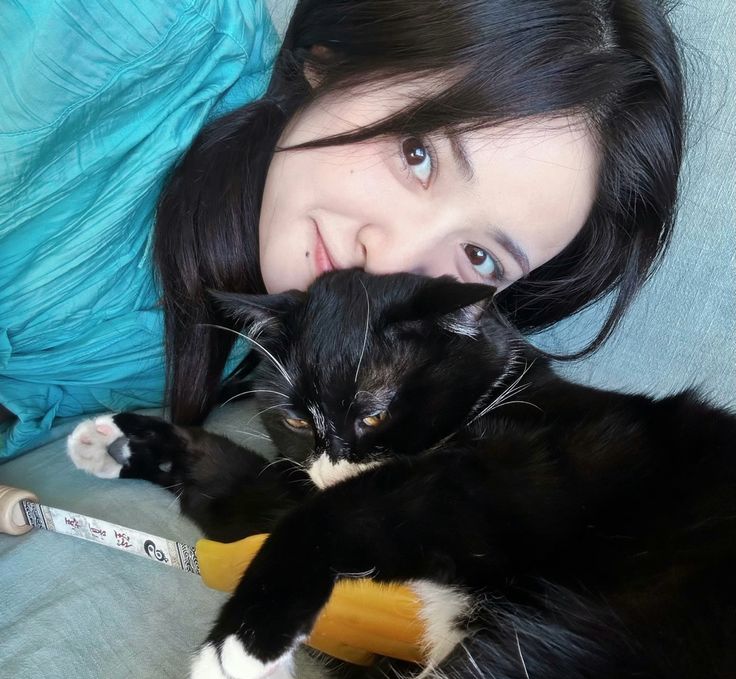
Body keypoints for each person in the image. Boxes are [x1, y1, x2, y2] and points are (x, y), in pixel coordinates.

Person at [0, 0, 684, 457]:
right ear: (330, 59)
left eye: (478, 255)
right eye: (417, 152)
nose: (390, 258)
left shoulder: (269, 353)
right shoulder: (128, 28)